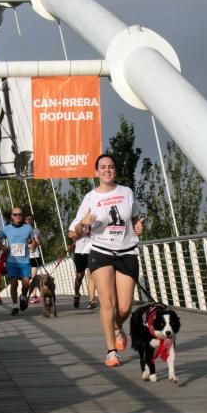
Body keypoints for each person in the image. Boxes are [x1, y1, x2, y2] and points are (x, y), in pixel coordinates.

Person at [71, 154, 144, 367]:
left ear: (115, 170)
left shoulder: (126, 193)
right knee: (108, 303)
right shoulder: (90, 198)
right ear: (96, 172)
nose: (107, 170)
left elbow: (135, 219)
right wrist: (82, 224)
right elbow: (73, 232)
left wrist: (139, 226)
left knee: (124, 308)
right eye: (102, 167)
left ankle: (116, 327)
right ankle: (111, 351)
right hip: (101, 251)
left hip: (127, 251)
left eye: (111, 166)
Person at [0, 207, 36, 316]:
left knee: (26, 284)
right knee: (13, 283)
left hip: (25, 261)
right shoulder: (6, 228)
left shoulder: (28, 228)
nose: (18, 216)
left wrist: (33, 246)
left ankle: (23, 296)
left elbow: (33, 241)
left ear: (22, 216)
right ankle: (14, 306)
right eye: (15, 214)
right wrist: (3, 247)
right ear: (11, 217)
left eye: (20, 214)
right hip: (12, 261)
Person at [67, 226, 97, 310]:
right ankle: (77, 293)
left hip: (92, 252)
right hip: (79, 253)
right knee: (79, 276)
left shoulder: (96, 222)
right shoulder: (78, 223)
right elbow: (70, 235)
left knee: (91, 275)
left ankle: (92, 300)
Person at [25, 213, 42, 303]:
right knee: (26, 277)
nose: (30, 221)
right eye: (28, 219)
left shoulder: (36, 230)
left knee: (34, 276)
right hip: (25, 257)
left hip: (35, 255)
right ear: (25, 221)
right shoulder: (22, 231)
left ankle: (34, 295)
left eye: (31, 219)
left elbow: (39, 242)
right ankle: (26, 294)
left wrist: (36, 240)